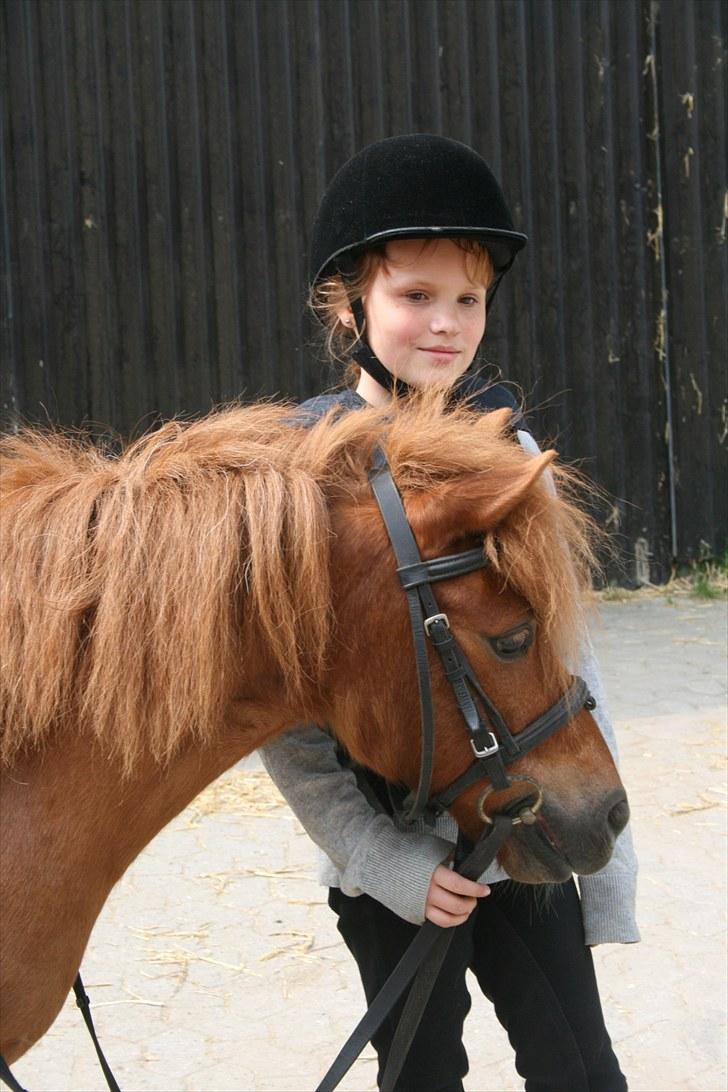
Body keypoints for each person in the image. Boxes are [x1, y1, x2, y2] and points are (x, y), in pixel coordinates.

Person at [260, 134, 639, 1092]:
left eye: (466, 299)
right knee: (421, 1076)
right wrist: (379, 859)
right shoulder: (305, 472)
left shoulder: (510, 448)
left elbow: (558, 660)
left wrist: (613, 850)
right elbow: (289, 727)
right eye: (414, 296)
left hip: (526, 836)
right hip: (399, 868)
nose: (447, 324)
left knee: (583, 1071)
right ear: (350, 304)